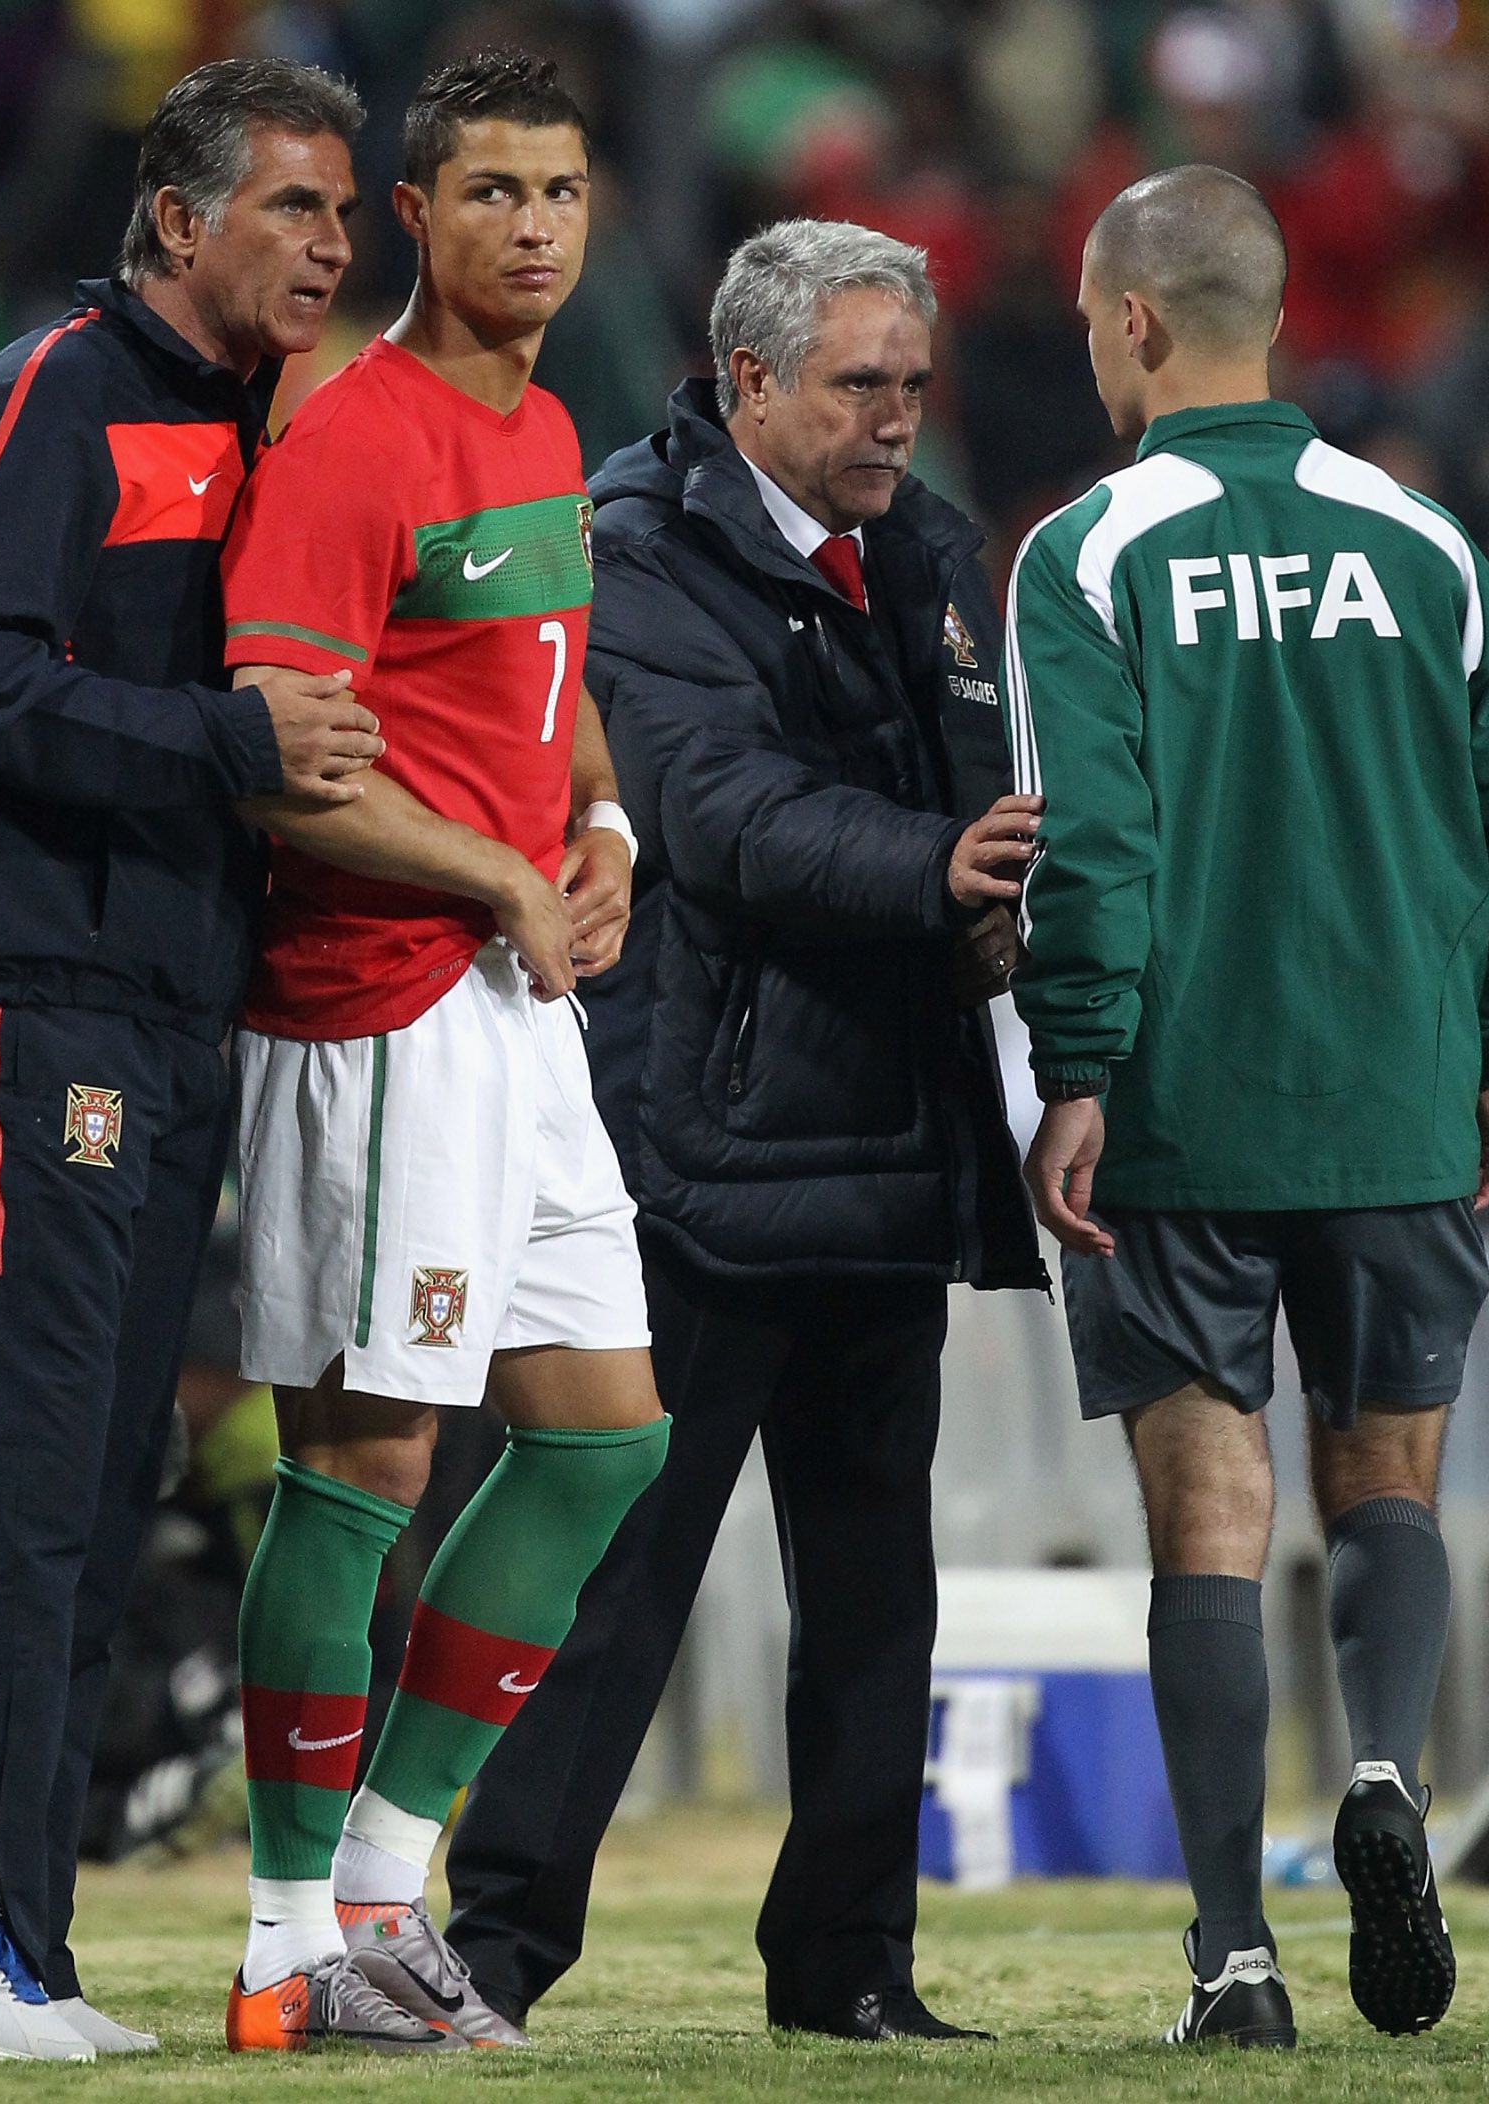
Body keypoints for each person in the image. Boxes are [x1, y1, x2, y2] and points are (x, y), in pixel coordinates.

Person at [1006, 166, 1489, 2048]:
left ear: (1138, 322)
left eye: (1096, 319)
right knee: (1386, 1473)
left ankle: (1235, 1953)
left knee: (1210, 1505)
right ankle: (1389, 1774)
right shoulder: (1420, 538)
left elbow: (1088, 842)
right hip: (1399, 1089)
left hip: (1184, 1094)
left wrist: (1073, 1060)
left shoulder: (1088, 549)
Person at [442, 219, 1048, 2045]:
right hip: (699, 1159)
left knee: (876, 1593)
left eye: (914, 386)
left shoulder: (927, 552)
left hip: (881, 1141)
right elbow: (717, 816)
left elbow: (977, 796)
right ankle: (495, 1944)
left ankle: (852, 1959)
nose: (895, 420)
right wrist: (943, 872)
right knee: (619, 1577)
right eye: (861, 385)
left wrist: (1012, 912)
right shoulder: (637, 553)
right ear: (753, 377)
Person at [0, 57, 376, 2065]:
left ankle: (20, 1937)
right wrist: (219, 749)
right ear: (174, 219)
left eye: (344, 215)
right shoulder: (53, 390)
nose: (331, 245)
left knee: (103, 1464)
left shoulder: (267, 428)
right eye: (292, 210)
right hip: (21, 992)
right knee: (18, 1471)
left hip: (164, 998)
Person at [214, 50, 668, 2056]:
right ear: (416, 214)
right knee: (364, 1464)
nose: (534, 225)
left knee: (601, 1436)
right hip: (379, 996)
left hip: (515, 989)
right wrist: (493, 870)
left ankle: (389, 1885)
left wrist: (605, 833)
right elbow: (283, 763)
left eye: (560, 190)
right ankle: (277, 1941)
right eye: (490, 191)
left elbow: (548, 696)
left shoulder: (549, 420)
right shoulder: (351, 433)